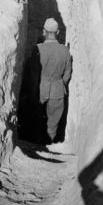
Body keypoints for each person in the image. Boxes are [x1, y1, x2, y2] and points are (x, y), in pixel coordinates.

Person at [31, 18, 72, 147]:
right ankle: (49, 144)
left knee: (37, 121)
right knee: (53, 124)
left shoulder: (37, 49)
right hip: (57, 90)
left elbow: (33, 74)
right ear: (58, 32)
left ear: (44, 31)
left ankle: (37, 146)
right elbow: (67, 74)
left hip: (40, 90)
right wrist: (60, 84)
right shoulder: (65, 51)